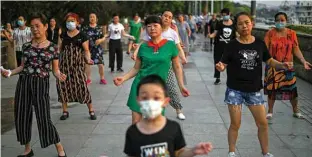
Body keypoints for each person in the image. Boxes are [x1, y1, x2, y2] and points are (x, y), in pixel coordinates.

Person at [216, 12, 294, 157]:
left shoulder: (259, 43)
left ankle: (265, 153)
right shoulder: (232, 45)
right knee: (235, 124)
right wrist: (221, 67)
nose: (244, 26)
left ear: (252, 23)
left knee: (263, 124)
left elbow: (269, 60)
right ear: (236, 27)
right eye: (240, 24)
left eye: (247, 22)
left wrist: (282, 65)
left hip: (254, 90)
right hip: (235, 91)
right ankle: (231, 152)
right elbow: (223, 63)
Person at [1, 13, 67, 157]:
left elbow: (55, 69)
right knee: (22, 115)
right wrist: (10, 73)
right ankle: (27, 149)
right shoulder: (26, 46)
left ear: (45, 27)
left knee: (44, 117)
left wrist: (59, 76)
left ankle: (60, 148)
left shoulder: (53, 48)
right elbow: (22, 67)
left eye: (38, 26)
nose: (35, 29)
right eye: (32, 27)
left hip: (41, 84)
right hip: (24, 82)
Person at [113, 15, 189, 124]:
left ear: (161, 27)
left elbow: (177, 67)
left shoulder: (170, 45)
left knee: (155, 124)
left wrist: (181, 86)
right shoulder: (143, 47)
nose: (152, 28)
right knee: (136, 122)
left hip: (158, 90)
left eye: (155, 25)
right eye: (149, 26)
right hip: (139, 87)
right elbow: (136, 68)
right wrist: (123, 78)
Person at [123, 74, 212, 157]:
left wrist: (193, 151)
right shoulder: (133, 132)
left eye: (156, 98)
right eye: (145, 98)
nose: (150, 102)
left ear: (165, 101)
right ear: (138, 100)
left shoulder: (173, 127)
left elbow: (179, 152)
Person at [134, 11, 188, 120]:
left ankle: (178, 110)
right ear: (161, 17)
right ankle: (149, 110)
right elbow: (143, 43)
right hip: (152, 63)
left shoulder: (172, 32)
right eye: (165, 16)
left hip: (166, 63)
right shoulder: (153, 29)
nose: (167, 18)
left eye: (169, 17)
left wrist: (183, 57)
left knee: (171, 88)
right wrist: (135, 52)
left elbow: (178, 46)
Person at [264, 12, 312, 119]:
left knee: (292, 89)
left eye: (282, 20)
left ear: (286, 21)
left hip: (288, 66)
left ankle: (296, 110)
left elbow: (296, 49)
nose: (280, 22)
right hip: (273, 66)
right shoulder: (270, 33)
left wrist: (303, 61)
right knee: (272, 89)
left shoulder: (292, 33)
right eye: (278, 20)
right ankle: (270, 111)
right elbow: (264, 49)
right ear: (274, 21)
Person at [57, 12, 96, 121]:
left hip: (77, 67)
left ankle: (91, 110)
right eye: (68, 21)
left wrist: (88, 59)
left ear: (77, 22)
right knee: (63, 88)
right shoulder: (62, 35)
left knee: (82, 87)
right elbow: (58, 50)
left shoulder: (82, 36)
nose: (70, 23)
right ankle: (65, 111)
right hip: (64, 66)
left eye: (72, 21)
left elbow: (86, 50)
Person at [209, 8, 236, 85]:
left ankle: (231, 78)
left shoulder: (234, 23)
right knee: (218, 62)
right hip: (219, 46)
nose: (224, 17)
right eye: (223, 15)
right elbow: (215, 33)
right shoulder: (220, 23)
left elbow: (236, 34)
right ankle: (217, 78)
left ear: (229, 14)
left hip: (230, 47)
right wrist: (210, 36)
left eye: (225, 15)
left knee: (231, 63)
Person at [82, 13, 107, 85]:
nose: (92, 18)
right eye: (90, 17)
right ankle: (88, 79)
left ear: (96, 19)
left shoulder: (99, 28)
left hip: (97, 49)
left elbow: (103, 37)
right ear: (89, 19)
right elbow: (82, 38)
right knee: (87, 64)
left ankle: (102, 78)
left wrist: (100, 40)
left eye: (93, 17)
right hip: (88, 49)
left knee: (101, 64)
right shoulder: (85, 28)